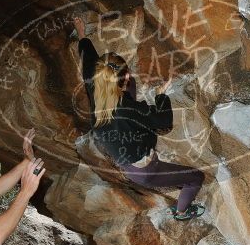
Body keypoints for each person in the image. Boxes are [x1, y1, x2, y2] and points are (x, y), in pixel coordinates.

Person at [73, 16, 205, 220]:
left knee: (129, 88)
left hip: (119, 149)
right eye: (126, 76)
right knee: (196, 178)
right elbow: (163, 122)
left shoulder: (95, 88)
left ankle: (174, 183)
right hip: (144, 172)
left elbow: (88, 60)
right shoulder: (132, 111)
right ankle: (181, 212)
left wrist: (81, 34)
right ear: (121, 79)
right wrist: (161, 95)